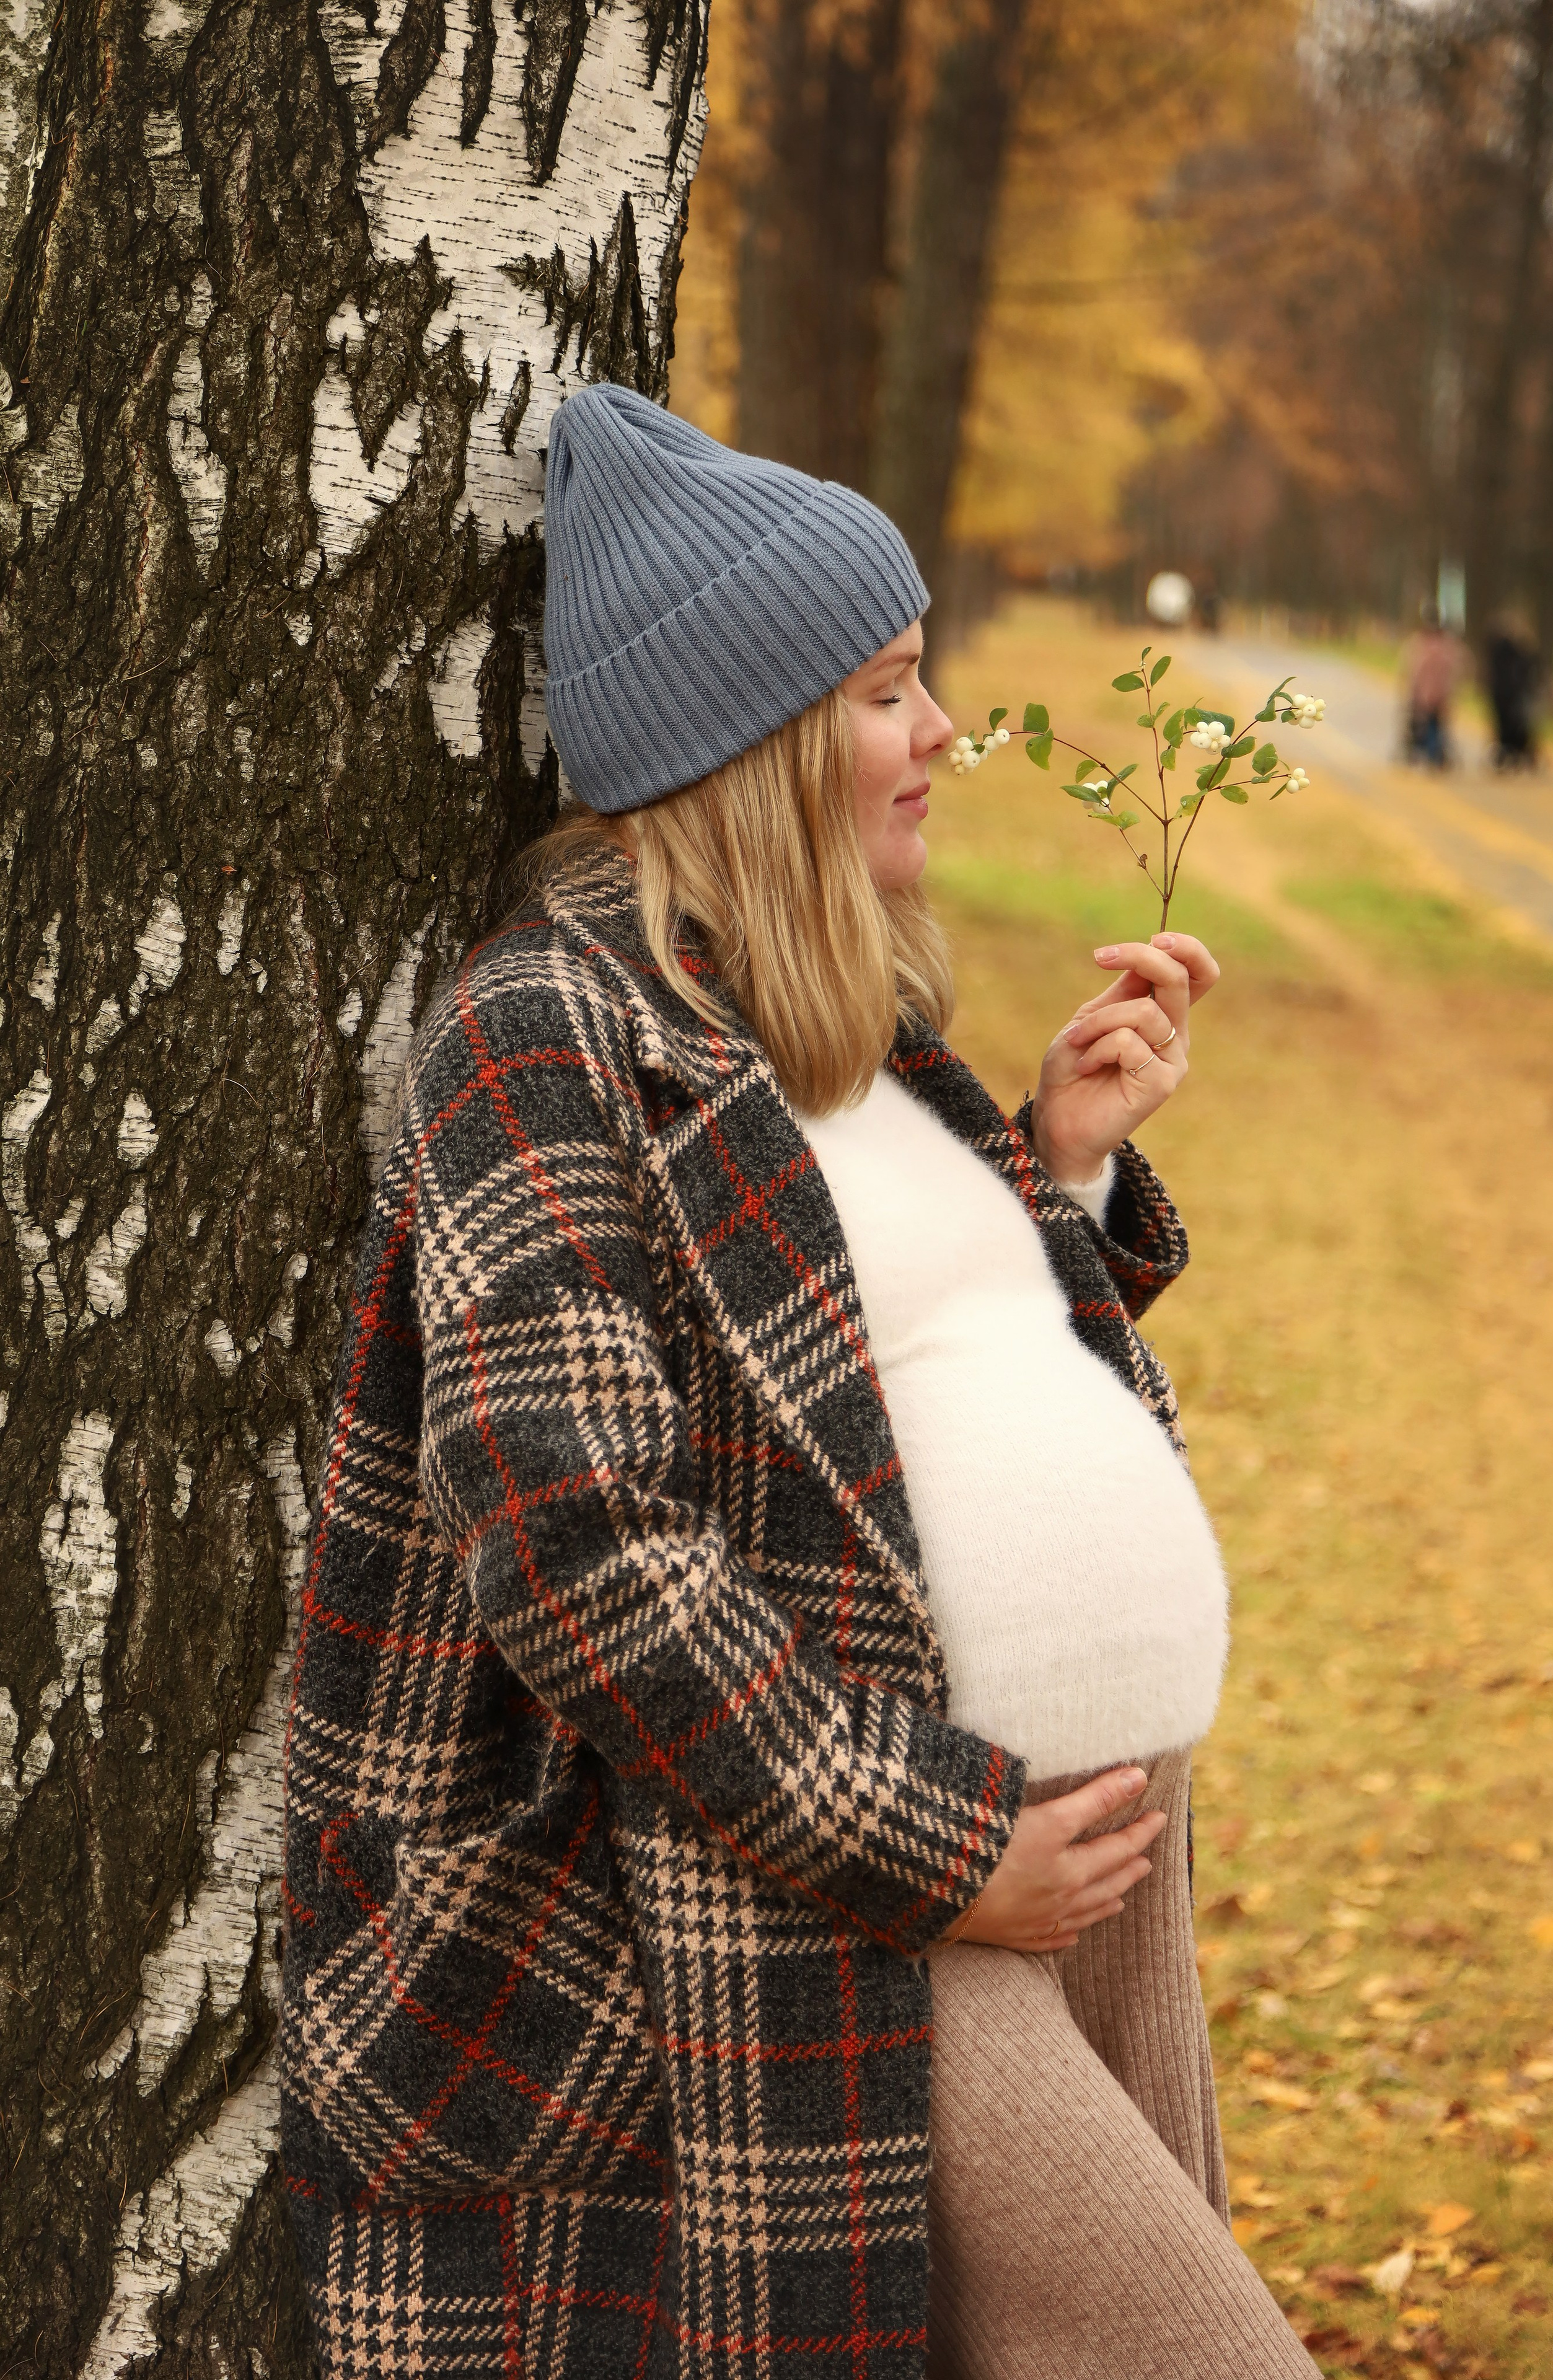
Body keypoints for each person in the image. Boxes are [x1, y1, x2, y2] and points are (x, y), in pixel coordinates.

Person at [279, 385, 1319, 2379]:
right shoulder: (541, 1044)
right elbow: (580, 1542)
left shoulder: (851, 1031)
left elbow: (905, 1391)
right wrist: (935, 1840)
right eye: (887, 693)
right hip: (822, 1901)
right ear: (745, 739)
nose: (943, 735)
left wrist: (1067, 1165)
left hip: (1078, 1853)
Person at [1402, 599, 1466, 768]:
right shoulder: (1447, 644)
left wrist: (1415, 691)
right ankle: (1436, 754)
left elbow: (1414, 670)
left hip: (1428, 694)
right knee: (1435, 726)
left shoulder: (1421, 644)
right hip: (1439, 694)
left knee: (1432, 725)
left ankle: (1434, 754)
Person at [1485, 610, 1541, 770]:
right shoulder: (1514, 650)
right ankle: (1512, 752)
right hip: (1510, 693)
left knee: (1512, 725)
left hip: (1506, 693)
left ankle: (1511, 752)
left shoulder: (1507, 649)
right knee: (1513, 724)